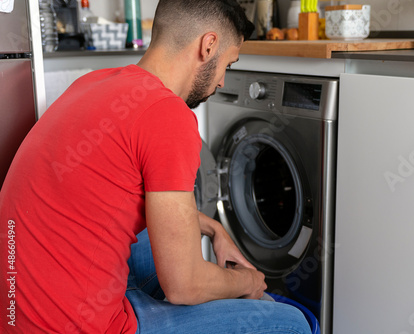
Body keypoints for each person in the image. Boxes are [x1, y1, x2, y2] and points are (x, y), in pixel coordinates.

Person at [0, 0, 312, 333]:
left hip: (17, 313)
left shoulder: (95, 83)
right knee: (292, 323)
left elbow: (105, 201)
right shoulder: (167, 115)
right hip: (80, 326)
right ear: (208, 46)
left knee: (156, 232)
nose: (221, 81)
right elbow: (184, 287)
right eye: (228, 64)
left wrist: (214, 229)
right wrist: (246, 281)